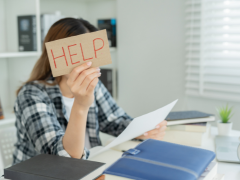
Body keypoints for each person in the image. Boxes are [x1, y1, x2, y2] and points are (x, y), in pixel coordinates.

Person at [13, 18, 167, 164]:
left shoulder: (94, 84)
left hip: (91, 168)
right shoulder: (31, 95)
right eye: (75, 52)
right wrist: (81, 104)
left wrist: (143, 130)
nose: (83, 60)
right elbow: (63, 159)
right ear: (55, 56)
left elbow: (115, 121)